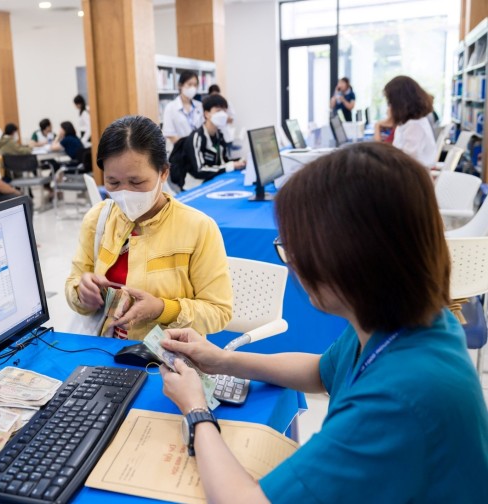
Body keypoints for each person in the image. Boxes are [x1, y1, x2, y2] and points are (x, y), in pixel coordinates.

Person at [158, 142, 488, 503]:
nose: (293, 264)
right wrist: (222, 360)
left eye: (296, 250)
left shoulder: (399, 399)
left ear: (347, 260)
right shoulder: (406, 320)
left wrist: (196, 409)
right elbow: (321, 371)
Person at [65, 115, 232, 340]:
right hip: (104, 351)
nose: (124, 192)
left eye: (136, 182)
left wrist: (162, 309)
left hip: (167, 359)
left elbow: (219, 312)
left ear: (163, 172)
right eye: (113, 182)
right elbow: (74, 282)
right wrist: (81, 293)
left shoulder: (198, 228)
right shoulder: (98, 219)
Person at [169, 94, 245, 191]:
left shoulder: (219, 135)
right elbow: (200, 170)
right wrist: (228, 167)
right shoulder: (197, 137)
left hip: (213, 180)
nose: (222, 114)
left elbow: (223, 161)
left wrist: (240, 161)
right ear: (206, 114)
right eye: (218, 111)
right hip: (196, 186)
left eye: (224, 111)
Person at [384, 75, 436, 168]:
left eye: (390, 102)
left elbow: (407, 161)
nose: (389, 107)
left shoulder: (415, 126)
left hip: (411, 176)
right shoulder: (410, 123)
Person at [162, 70, 204, 145]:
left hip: (197, 149)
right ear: (180, 85)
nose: (193, 88)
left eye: (195, 85)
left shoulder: (199, 106)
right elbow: (170, 135)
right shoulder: (171, 107)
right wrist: (189, 147)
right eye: (189, 84)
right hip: (179, 151)